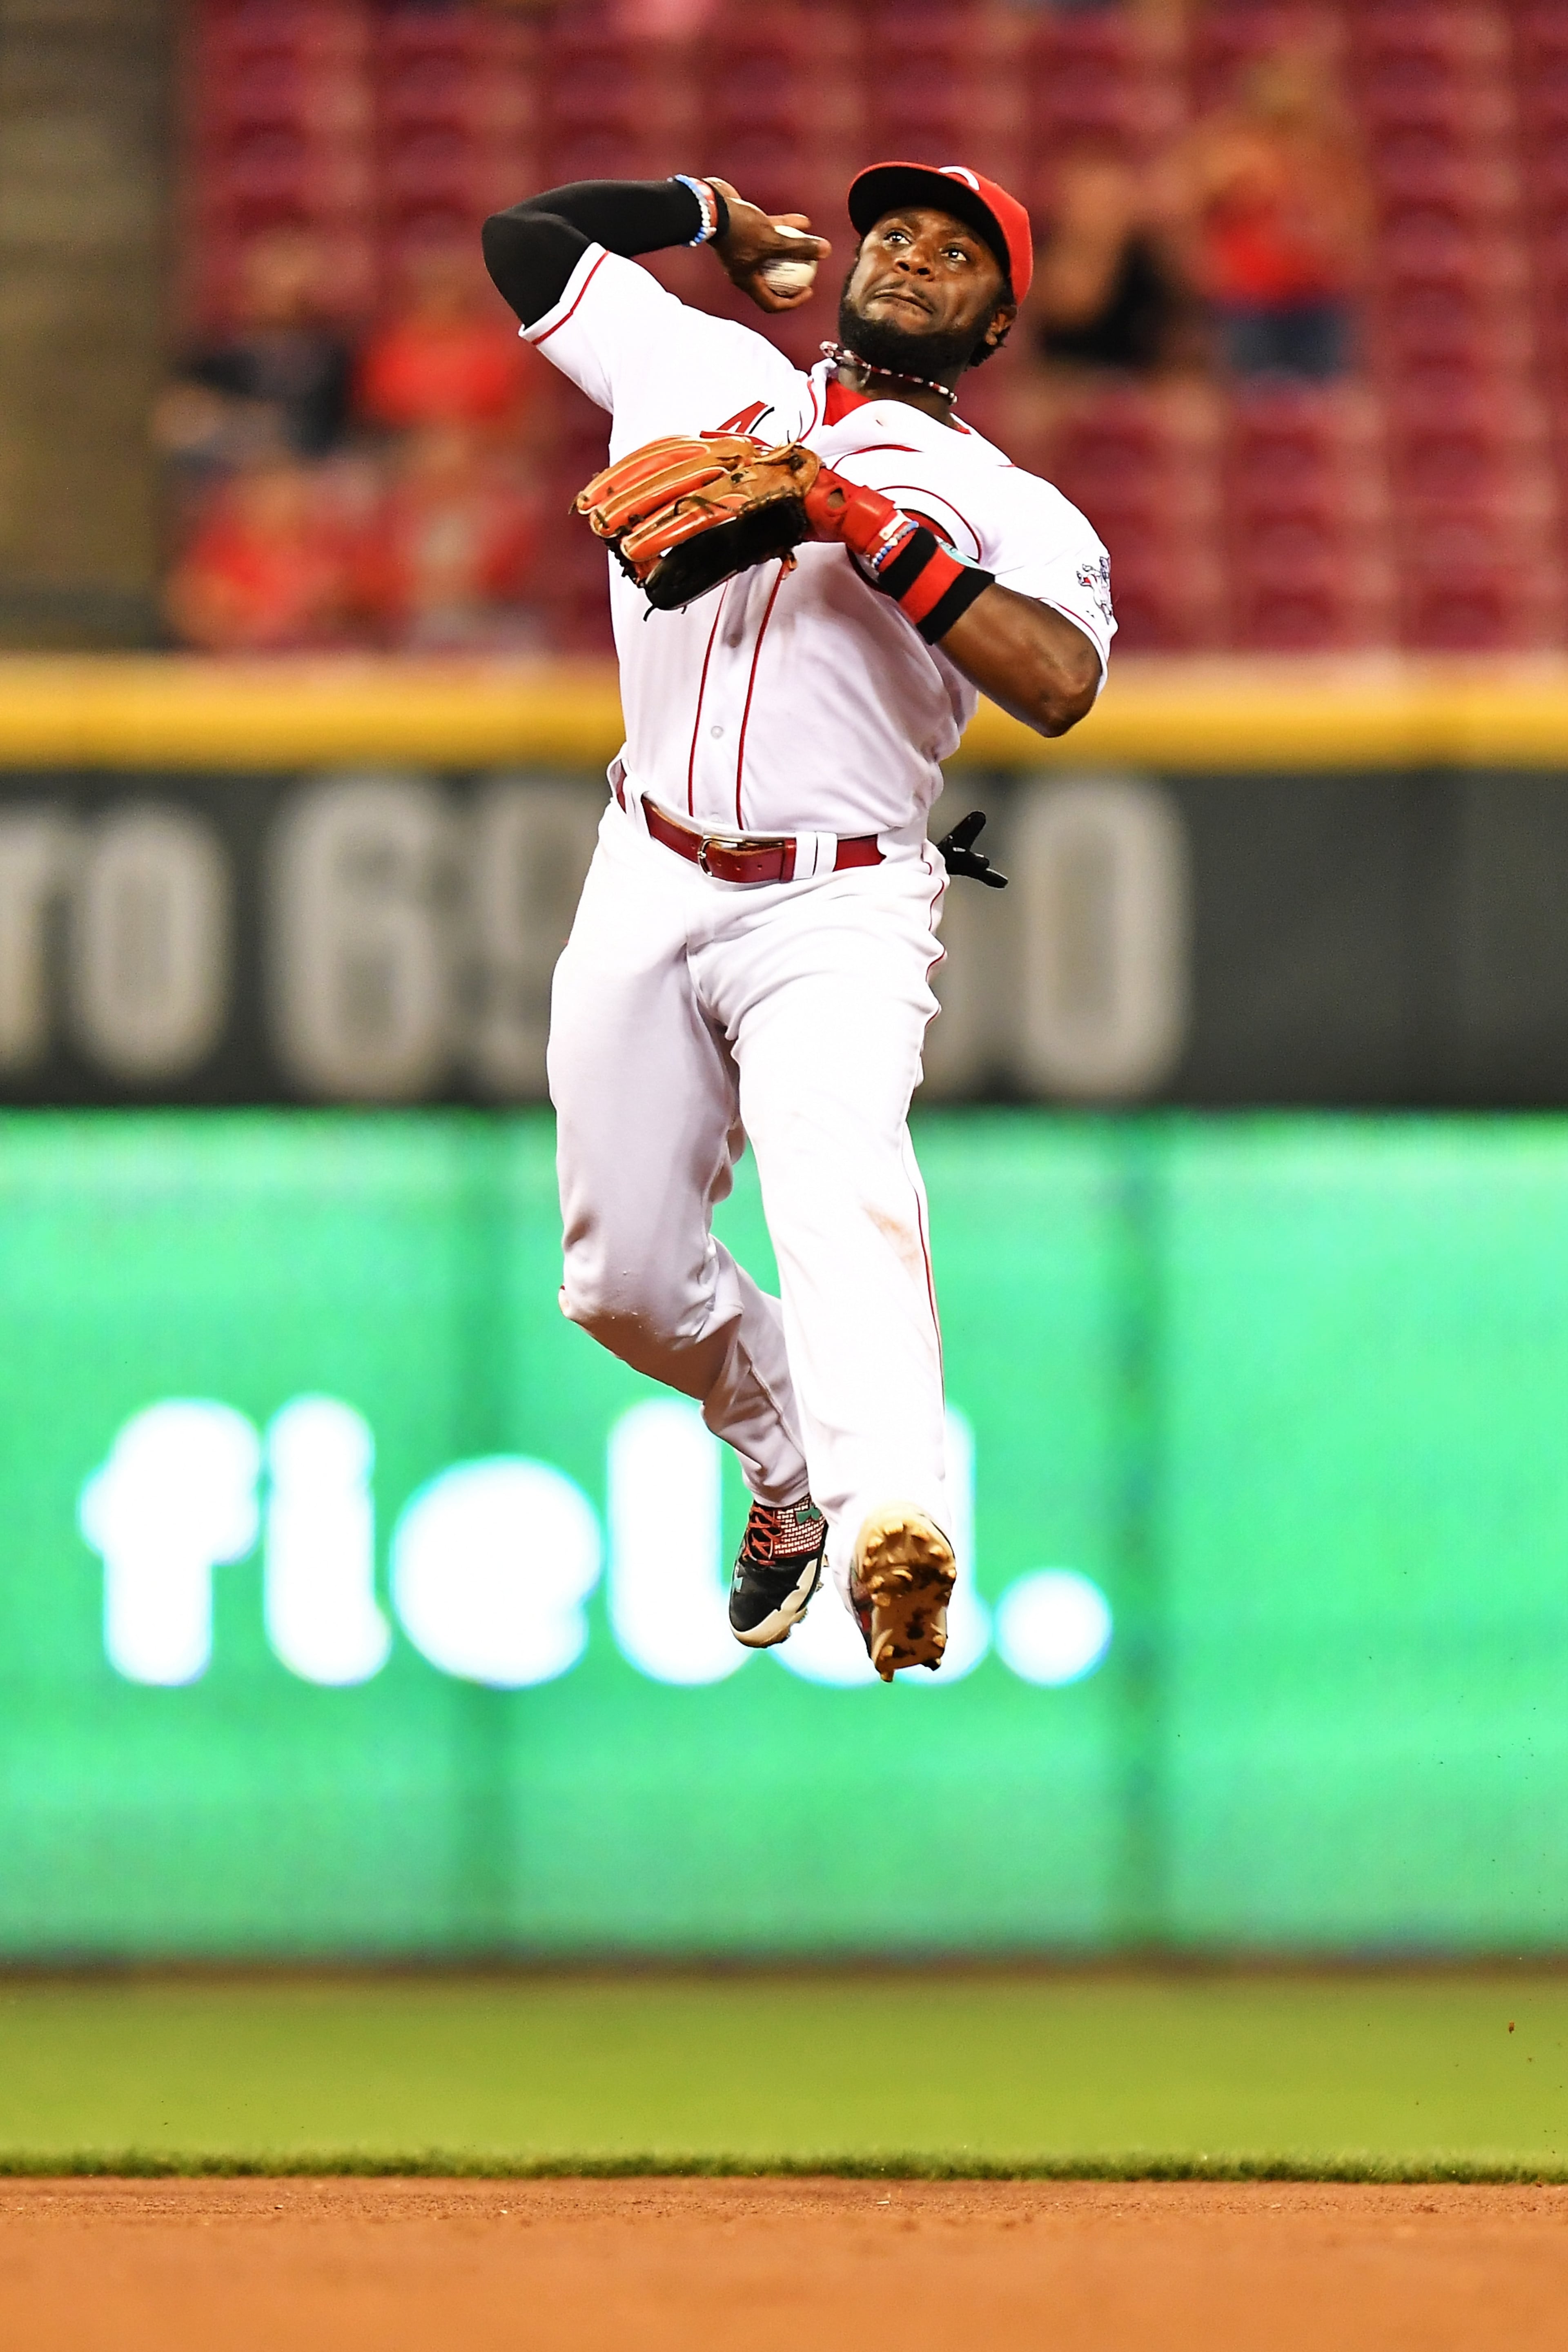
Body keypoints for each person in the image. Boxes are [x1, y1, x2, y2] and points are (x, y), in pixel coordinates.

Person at [481, 165, 1111, 1680]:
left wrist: (868, 525)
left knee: (842, 1185)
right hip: (647, 859)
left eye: (957, 253)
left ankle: (897, 1511)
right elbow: (526, 244)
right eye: (893, 232)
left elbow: (1058, 681)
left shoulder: (1014, 505)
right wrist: (705, 214)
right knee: (618, 1280)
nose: (910, 255)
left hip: (840, 895)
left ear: (999, 318)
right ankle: (780, 1448)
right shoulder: (700, 367)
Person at [1182, 46, 1368, 382]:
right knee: (1254, 405)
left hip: (1318, 296)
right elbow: (1193, 208)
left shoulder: (1328, 151)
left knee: (1321, 407)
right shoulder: (1234, 151)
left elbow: (1354, 217)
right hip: (1251, 299)